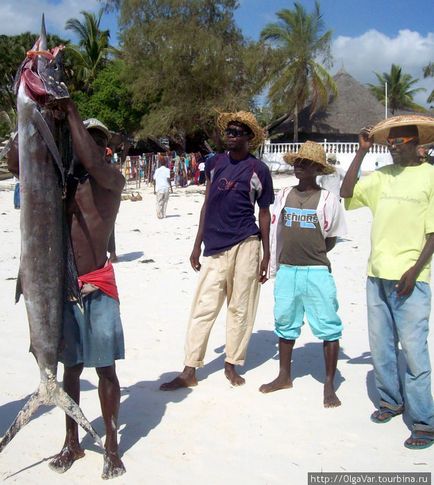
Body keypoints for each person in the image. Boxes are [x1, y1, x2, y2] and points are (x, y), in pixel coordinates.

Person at [160, 111, 274, 390]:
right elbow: (207, 204)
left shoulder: (258, 170)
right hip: (214, 246)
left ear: (249, 137)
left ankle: (231, 364)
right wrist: (196, 244)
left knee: (240, 307)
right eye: (229, 131)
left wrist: (267, 254)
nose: (231, 135)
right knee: (203, 307)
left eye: (237, 132)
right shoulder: (214, 163)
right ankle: (189, 370)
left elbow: (265, 213)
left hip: (247, 243)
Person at [340, 114, 434, 450]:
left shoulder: (430, 176)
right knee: (381, 346)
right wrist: (362, 152)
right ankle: (391, 401)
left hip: (413, 279)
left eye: (400, 141)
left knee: (413, 350)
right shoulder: (381, 176)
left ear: (417, 143)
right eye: (390, 142)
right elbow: (346, 192)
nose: (393, 147)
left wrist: (414, 270)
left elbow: (433, 233)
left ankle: (424, 420)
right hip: (376, 274)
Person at [260, 141, 346, 407]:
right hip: (287, 269)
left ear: (317, 169)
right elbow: (277, 229)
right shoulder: (284, 194)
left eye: (305, 163)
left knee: (329, 326)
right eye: (297, 162)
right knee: (285, 321)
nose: (299, 167)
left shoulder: (329, 200)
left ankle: (329, 385)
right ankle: (284, 375)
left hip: (317, 270)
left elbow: (331, 238)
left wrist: (314, 254)